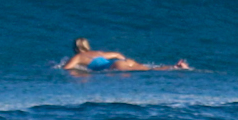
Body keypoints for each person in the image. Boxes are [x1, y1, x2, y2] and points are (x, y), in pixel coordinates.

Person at [61, 39, 190, 73]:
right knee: (150, 70)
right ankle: (176, 66)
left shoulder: (77, 57)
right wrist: (123, 60)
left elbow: (66, 69)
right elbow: (117, 54)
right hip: (125, 61)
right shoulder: (99, 52)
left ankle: (177, 68)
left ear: (76, 48)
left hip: (115, 65)